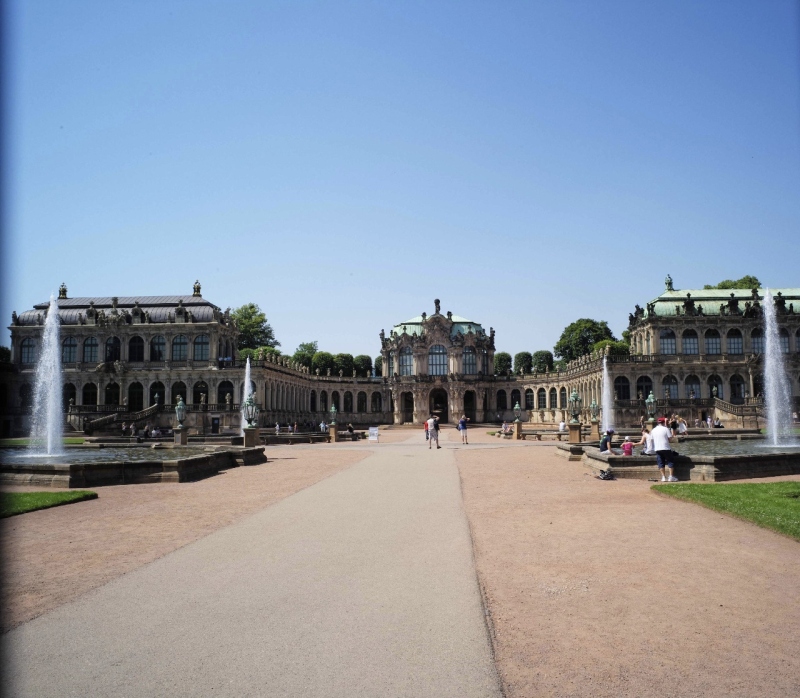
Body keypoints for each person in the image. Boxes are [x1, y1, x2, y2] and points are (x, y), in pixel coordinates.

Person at [652, 417, 678, 481]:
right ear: (663, 422)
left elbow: (652, 439)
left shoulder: (653, 430)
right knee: (670, 461)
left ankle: (663, 477)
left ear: (658, 423)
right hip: (666, 448)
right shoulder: (665, 429)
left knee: (660, 462)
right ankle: (671, 477)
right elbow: (670, 438)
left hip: (657, 448)